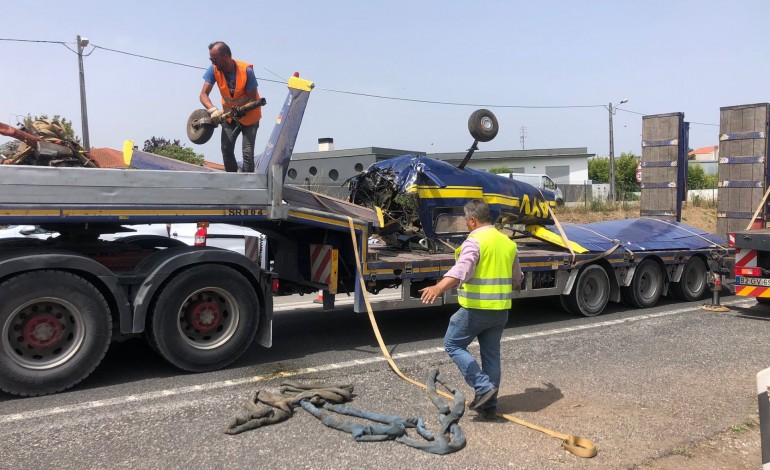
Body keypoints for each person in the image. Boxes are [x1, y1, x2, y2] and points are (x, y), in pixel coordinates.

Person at [420, 199, 522, 419]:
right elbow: (517, 278)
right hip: (501, 310)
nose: (466, 224)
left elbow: (462, 270)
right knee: (491, 355)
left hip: (476, 309)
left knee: (453, 344)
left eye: (466, 220)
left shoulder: (474, 241)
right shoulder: (508, 243)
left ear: (473, 220)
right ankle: (489, 405)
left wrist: (438, 287)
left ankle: (483, 388)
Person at [199, 41, 262, 172]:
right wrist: (213, 110)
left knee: (247, 154)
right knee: (226, 149)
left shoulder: (246, 71)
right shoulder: (214, 70)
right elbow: (203, 95)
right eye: (211, 59)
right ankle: (232, 182)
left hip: (250, 117)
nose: (213, 63)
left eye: (215, 59)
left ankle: (247, 186)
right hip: (229, 116)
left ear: (226, 57)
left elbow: (252, 99)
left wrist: (241, 111)